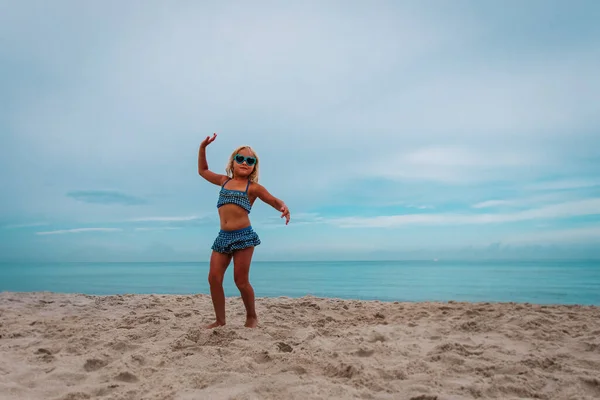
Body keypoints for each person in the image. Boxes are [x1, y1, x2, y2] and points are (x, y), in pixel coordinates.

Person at [198, 133, 290, 328]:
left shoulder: (253, 188)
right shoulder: (223, 181)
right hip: (223, 237)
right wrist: (203, 148)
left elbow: (273, 200)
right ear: (232, 162)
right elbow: (203, 170)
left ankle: (251, 316)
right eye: (240, 158)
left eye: (250, 160)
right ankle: (220, 320)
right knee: (213, 278)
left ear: (254, 166)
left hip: (243, 236)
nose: (245, 162)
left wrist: (282, 207)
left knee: (240, 281)